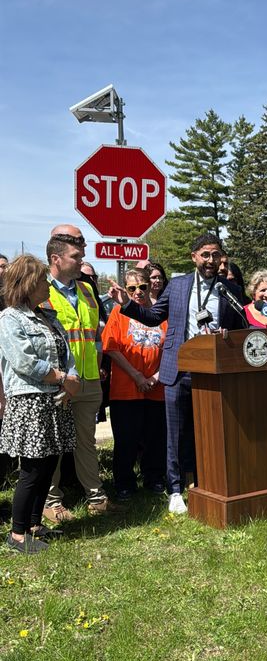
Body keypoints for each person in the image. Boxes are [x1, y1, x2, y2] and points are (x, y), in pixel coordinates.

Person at [109, 232, 246, 514]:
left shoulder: (228, 289)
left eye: (216, 254)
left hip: (214, 371)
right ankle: (174, 489)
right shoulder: (179, 286)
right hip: (178, 369)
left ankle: (206, 480)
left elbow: (241, 327)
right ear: (193, 257)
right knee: (175, 433)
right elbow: (153, 316)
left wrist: (227, 335)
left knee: (210, 430)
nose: (211, 260)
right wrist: (127, 304)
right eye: (205, 255)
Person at [0, 255, 79, 553]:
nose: (48, 285)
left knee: (48, 463)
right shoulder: (10, 318)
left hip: (54, 399)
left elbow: (66, 353)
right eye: (44, 280)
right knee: (31, 470)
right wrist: (62, 378)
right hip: (31, 401)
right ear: (29, 284)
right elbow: (23, 362)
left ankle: (34, 524)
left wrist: (71, 379)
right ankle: (17, 534)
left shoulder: (47, 316)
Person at [41, 227, 116, 521]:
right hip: (57, 382)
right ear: (56, 258)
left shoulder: (86, 290)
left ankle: (96, 497)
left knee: (87, 441)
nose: (81, 258)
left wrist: (97, 364)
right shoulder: (40, 291)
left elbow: (95, 335)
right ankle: (51, 502)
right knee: (54, 443)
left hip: (88, 378)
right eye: (75, 255)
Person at [102, 268, 168, 500]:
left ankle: (154, 478)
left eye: (142, 287)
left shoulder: (161, 313)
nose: (138, 292)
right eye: (132, 288)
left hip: (156, 388)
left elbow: (172, 350)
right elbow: (110, 347)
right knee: (126, 439)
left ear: (150, 286)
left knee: (155, 438)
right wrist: (137, 376)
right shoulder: (119, 312)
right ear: (125, 289)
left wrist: (154, 377)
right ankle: (124, 483)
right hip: (126, 388)